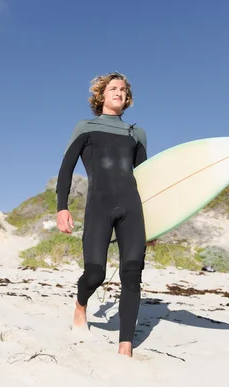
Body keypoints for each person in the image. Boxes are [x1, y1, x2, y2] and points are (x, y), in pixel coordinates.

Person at [55, 72, 155, 358]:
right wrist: (62, 206)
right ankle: (81, 304)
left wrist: (156, 225)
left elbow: (145, 179)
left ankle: (125, 347)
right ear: (101, 95)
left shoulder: (137, 134)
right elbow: (66, 169)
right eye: (113, 88)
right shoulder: (85, 127)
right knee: (96, 272)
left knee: (132, 272)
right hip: (99, 206)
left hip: (132, 208)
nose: (119, 92)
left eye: (124, 89)